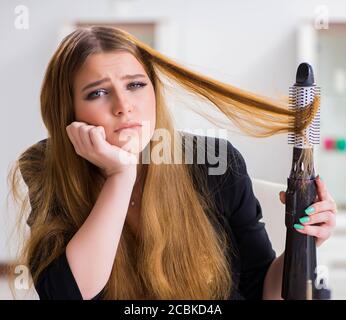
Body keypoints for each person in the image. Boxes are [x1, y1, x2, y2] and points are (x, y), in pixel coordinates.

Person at [9, 26, 337, 300]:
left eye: (136, 85)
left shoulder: (215, 163)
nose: (123, 106)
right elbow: (66, 294)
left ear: (154, 92)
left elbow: (259, 286)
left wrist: (302, 242)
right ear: (68, 113)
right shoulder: (46, 166)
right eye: (97, 93)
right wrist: (120, 176)